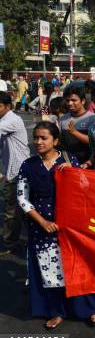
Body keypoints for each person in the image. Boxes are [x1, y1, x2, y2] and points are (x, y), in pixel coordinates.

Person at [17, 122, 95, 329]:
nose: (38, 142)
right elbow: (22, 198)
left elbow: (84, 187)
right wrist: (43, 222)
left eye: (44, 138)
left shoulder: (68, 159)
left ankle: (87, 309)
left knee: (76, 268)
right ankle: (56, 311)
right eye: (36, 137)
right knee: (50, 271)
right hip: (42, 228)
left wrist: (74, 172)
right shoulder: (28, 165)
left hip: (69, 227)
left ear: (55, 141)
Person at [0, 91, 31, 255]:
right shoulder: (4, 120)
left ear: (7, 106)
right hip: (13, 170)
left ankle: (10, 243)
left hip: (18, 171)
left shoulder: (11, 120)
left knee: (12, 210)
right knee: (23, 208)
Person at [59, 87, 95, 164]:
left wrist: (75, 133)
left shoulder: (93, 118)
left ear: (83, 101)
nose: (70, 103)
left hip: (87, 165)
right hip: (68, 164)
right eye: (67, 100)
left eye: (74, 100)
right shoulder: (62, 119)